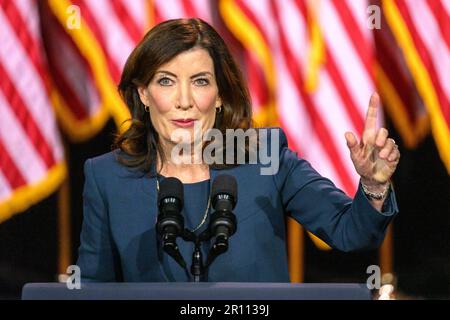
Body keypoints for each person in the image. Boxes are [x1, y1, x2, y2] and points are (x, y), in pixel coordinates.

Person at [77, 18, 400, 282]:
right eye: (166, 81)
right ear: (143, 94)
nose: (184, 100)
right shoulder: (109, 175)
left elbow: (352, 234)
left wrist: (373, 185)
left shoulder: (266, 159)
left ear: (219, 95)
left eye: (201, 81)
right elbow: (93, 286)